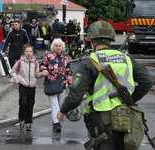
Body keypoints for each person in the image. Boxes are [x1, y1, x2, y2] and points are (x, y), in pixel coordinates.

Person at [57, 21, 153, 149]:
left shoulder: (90, 62)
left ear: (93, 41)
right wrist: (130, 98)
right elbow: (147, 81)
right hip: (127, 119)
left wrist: (62, 111)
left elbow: (75, 96)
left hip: (103, 123)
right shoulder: (127, 59)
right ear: (111, 40)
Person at [40, 38, 72, 132]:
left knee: (60, 104)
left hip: (62, 84)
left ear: (62, 47)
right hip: (51, 83)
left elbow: (68, 72)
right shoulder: (48, 56)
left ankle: (55, 120)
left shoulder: (65, 59)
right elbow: (42, 64)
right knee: (54, 105)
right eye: (56, 46)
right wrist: (44, 70)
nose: (58, 48)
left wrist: (70, 84)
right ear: (53, 47)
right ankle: (56, 123)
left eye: (59, 46)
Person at [11, 44, 43, 131]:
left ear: (32, 53)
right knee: (23, 103)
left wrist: (42, 74)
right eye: (27, 51)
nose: (29, 53)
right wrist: (18, 80)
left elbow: (36, 74)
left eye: (30, 51)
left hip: (32, 86)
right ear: (24, 52)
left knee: (30, 104)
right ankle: (21, 120)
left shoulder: (35, 63)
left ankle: (28, 122)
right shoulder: (20, 62)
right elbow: (13, 71)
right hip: (23, 85)